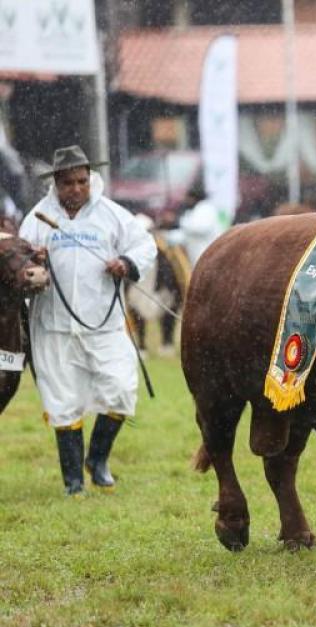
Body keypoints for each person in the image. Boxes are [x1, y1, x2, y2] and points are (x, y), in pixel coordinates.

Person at [20, 145, 156, 495]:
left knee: (121, 391)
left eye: (82, 181)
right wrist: (34, 263)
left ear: (90, 179)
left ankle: (97, 460)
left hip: (106, 324)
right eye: (68, 183)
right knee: (63, 402)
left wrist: (125, 262)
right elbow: (18, 263)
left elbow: (146, 246)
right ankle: (74, 483)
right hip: (54, 327)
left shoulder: (112, 214)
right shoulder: (37, 218)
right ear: (56, 183)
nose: (76, 189)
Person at [168, 184, 227, 267]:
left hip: (209, 257)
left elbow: (199, 228)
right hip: (200, 259)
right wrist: (166, 236)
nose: (185, 201)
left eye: (187, 198)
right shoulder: (194, 211)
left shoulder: (205, 209)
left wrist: (177, 221)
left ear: (193, 198)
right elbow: (186, 235)